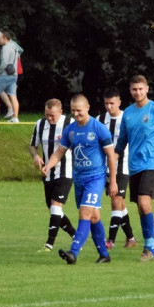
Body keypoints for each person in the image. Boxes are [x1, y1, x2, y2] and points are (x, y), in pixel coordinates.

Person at [43, 94, 118, 264]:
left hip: (96, 178)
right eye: (73, 110)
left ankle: (73, 252)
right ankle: (104, 255)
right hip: (79, 179)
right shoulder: (70, 130)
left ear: (88, 108)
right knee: (93, 217)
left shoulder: (99, 128)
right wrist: (49, 165)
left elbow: (111, 157)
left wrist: (112, 181)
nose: (76, 114)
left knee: (84, 212)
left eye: (79, 110)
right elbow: (60, 151)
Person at [111, 75, 154, 262]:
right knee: (140, 207)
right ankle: (151, 248)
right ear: (130, 91)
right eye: (134, 89)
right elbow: (121, 144)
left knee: (145, 203)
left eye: (140, 89)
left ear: (147, 88)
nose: (137, 92)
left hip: (153, 164)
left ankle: (149, 248)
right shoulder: (128, 114)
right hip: (134, 166)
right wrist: (110, 166)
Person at [30, 99, 76, 251]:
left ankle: (49, 244)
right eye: (47, 115)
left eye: (52, 116)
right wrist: (36, 156)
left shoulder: (70, 123)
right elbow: (32, 146)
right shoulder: (40, 124)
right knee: (53, 209)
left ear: (61, 112)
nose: (49, 118)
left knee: (56, 206)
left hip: (66, 172)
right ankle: (75, 236)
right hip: (48, 173)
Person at [98, 89, 137, 249]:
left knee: (116, 201)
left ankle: (110, 241)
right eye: (106, 103)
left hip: (123, 167)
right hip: (104, 168)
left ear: (119, 103)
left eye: (112, 103)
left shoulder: (127, 119)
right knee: (120, 204)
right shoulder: (99, 119)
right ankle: (131, 238)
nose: (109, 107)